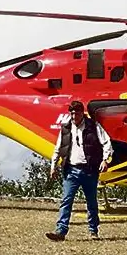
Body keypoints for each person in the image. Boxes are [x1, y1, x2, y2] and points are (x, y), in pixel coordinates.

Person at [46, 100, 114, 241]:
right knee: (66, 200)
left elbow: (106, 142)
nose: (73, 115)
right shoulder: (65, 128)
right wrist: (53, 166)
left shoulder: (93, 126)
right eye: (71, 112)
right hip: (71, 170)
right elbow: (58, 148)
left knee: (91, 202)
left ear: (81, 113)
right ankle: (61, 231)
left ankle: (93, 231)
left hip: (89, 170)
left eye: (76, 112)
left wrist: (105, 160)